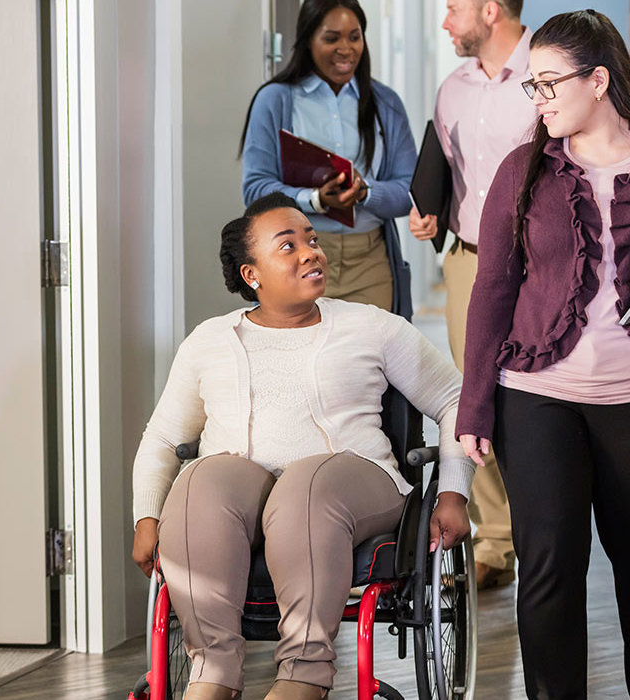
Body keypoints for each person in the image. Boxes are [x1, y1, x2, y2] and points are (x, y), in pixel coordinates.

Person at [454, 11, 630, 699]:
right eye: (534, 85)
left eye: (550, 83)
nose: (540, 98)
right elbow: (493, 287)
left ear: (599, 79)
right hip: (538, 397)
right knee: (550, 568)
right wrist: (475, 405)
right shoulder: (523, 170)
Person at [131, 193, 474, 700]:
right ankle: (212, 674)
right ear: (252, 275)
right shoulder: (209, 340)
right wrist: (146, 518)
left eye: (311, 240)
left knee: (305, 488)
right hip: (242, 494)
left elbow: (454, 399)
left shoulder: (372, 326)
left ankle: (303, 674)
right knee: (201, 479)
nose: (311, 252)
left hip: (353, 482)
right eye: (287, 246)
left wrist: (452, 494)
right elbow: (163, 437)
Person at [408, 0, 537, 590]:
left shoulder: (549, 68)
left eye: (454, 8)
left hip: (539, 261)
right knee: (472, 394)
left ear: (491, 10)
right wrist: (427, 210)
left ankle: (546, 530)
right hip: (468, 259)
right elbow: (445, 168)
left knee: (538, 389)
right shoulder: (451, 89)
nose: (445, 23)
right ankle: (496, 538)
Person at [240, 0, 417, 318]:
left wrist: (366, 193)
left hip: (370, 260)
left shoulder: (385, 103)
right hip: (297, 259)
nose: (346, 48)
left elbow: (409, 191)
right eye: (331, 38)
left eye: (354, 36)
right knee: (299, 362)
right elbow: (255, 189)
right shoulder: (275, 99)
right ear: (308, 40)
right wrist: (315, 200)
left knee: (369, 363)